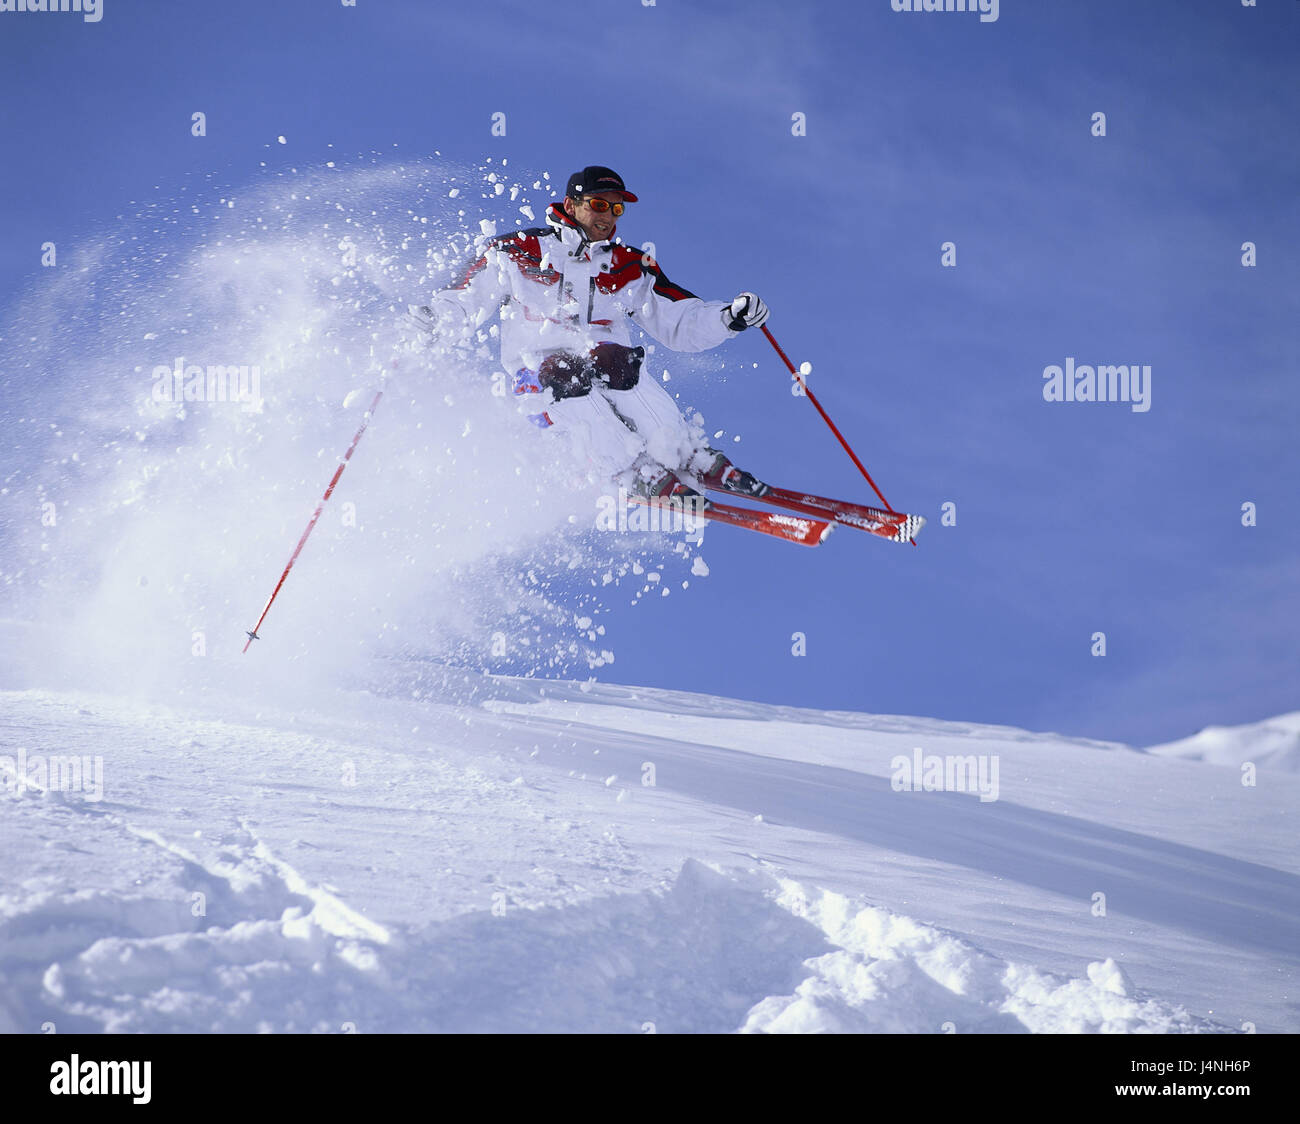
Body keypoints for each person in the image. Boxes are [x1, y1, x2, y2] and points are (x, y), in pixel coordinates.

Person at [413, 165, 771, 503]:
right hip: (539, 383)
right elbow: (467, 296)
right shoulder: (518, 251)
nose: (608, 216)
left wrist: (728, 318)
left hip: (603, 367)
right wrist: (436, 320)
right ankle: (628, 470)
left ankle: (684, 452)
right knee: (565, 369)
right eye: (599, 205)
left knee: (616, 361)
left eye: (616, 209)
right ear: (571, 205)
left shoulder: (628, 266)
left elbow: (676, 318)